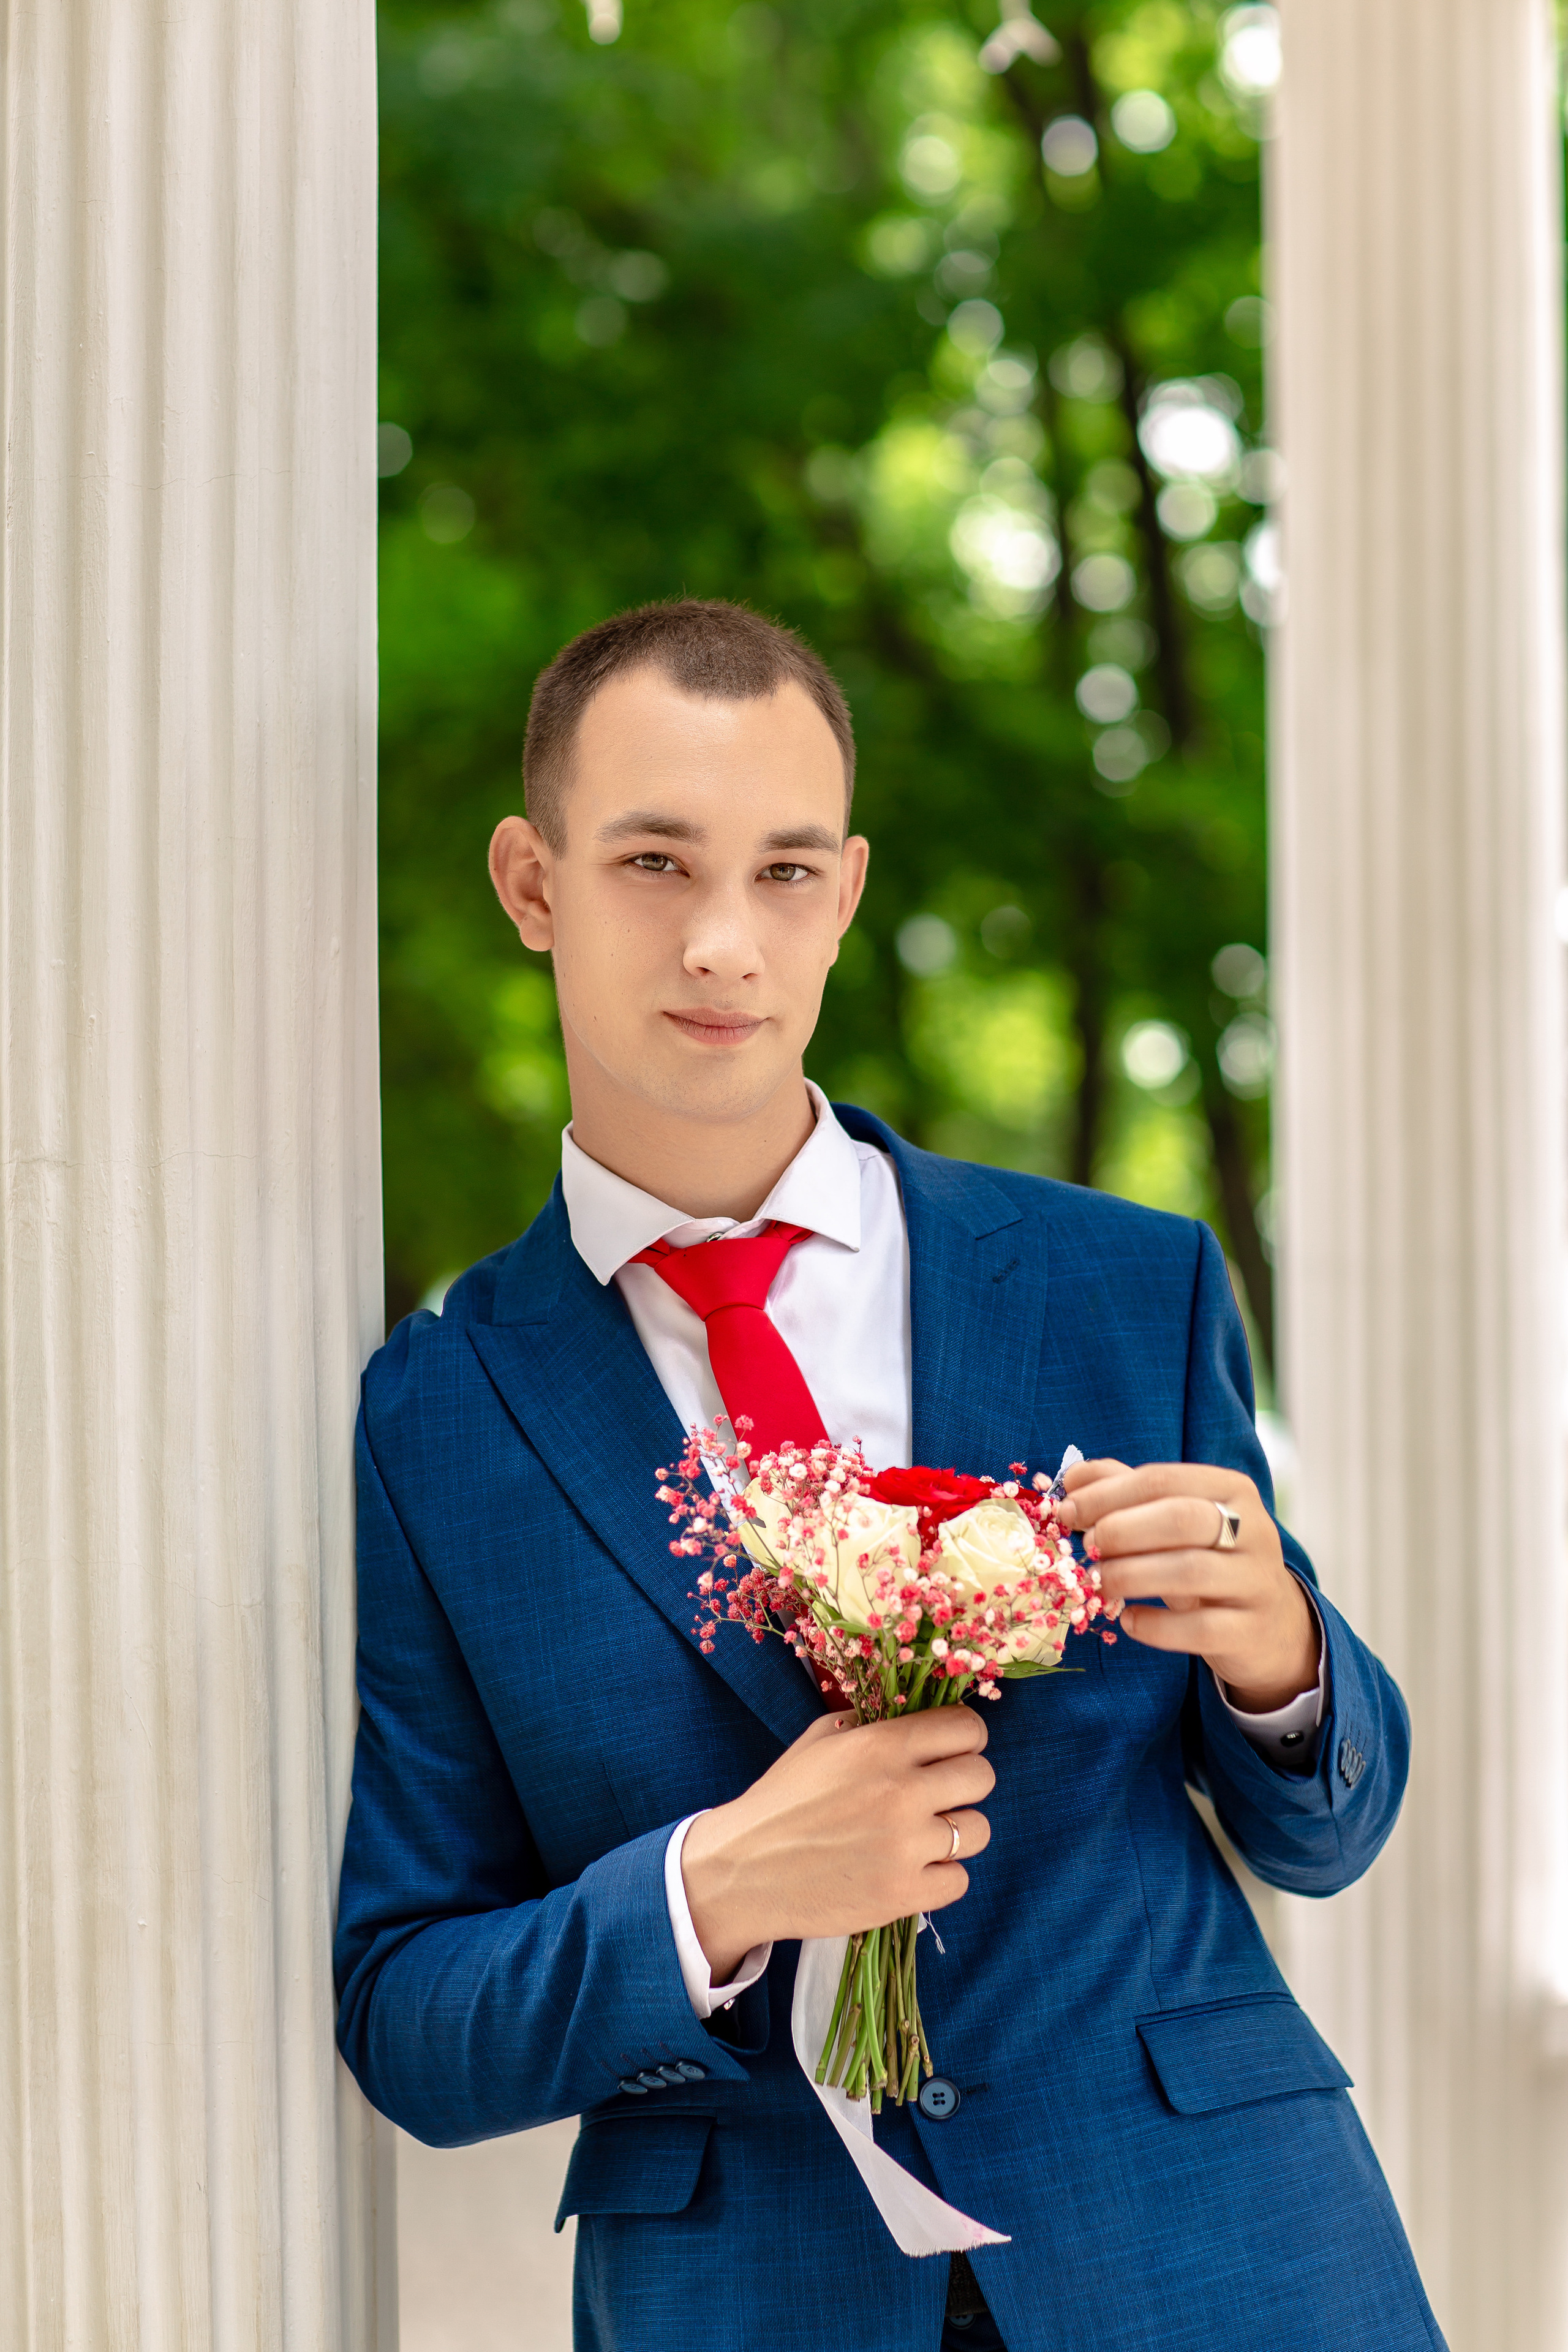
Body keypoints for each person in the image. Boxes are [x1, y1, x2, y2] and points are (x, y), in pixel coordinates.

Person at [334, 599, 1442, 2351]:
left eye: (782, 874)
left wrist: (1283, 1656)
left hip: (1222, 2261)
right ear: (534, 885)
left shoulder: (1124, 1286)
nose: (721, 943)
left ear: (845, 896)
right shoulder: (434, 1421)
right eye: (651, 863)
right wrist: (718, 1886)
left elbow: (1330, 1830)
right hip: (747, 2298)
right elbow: (410, 2011)